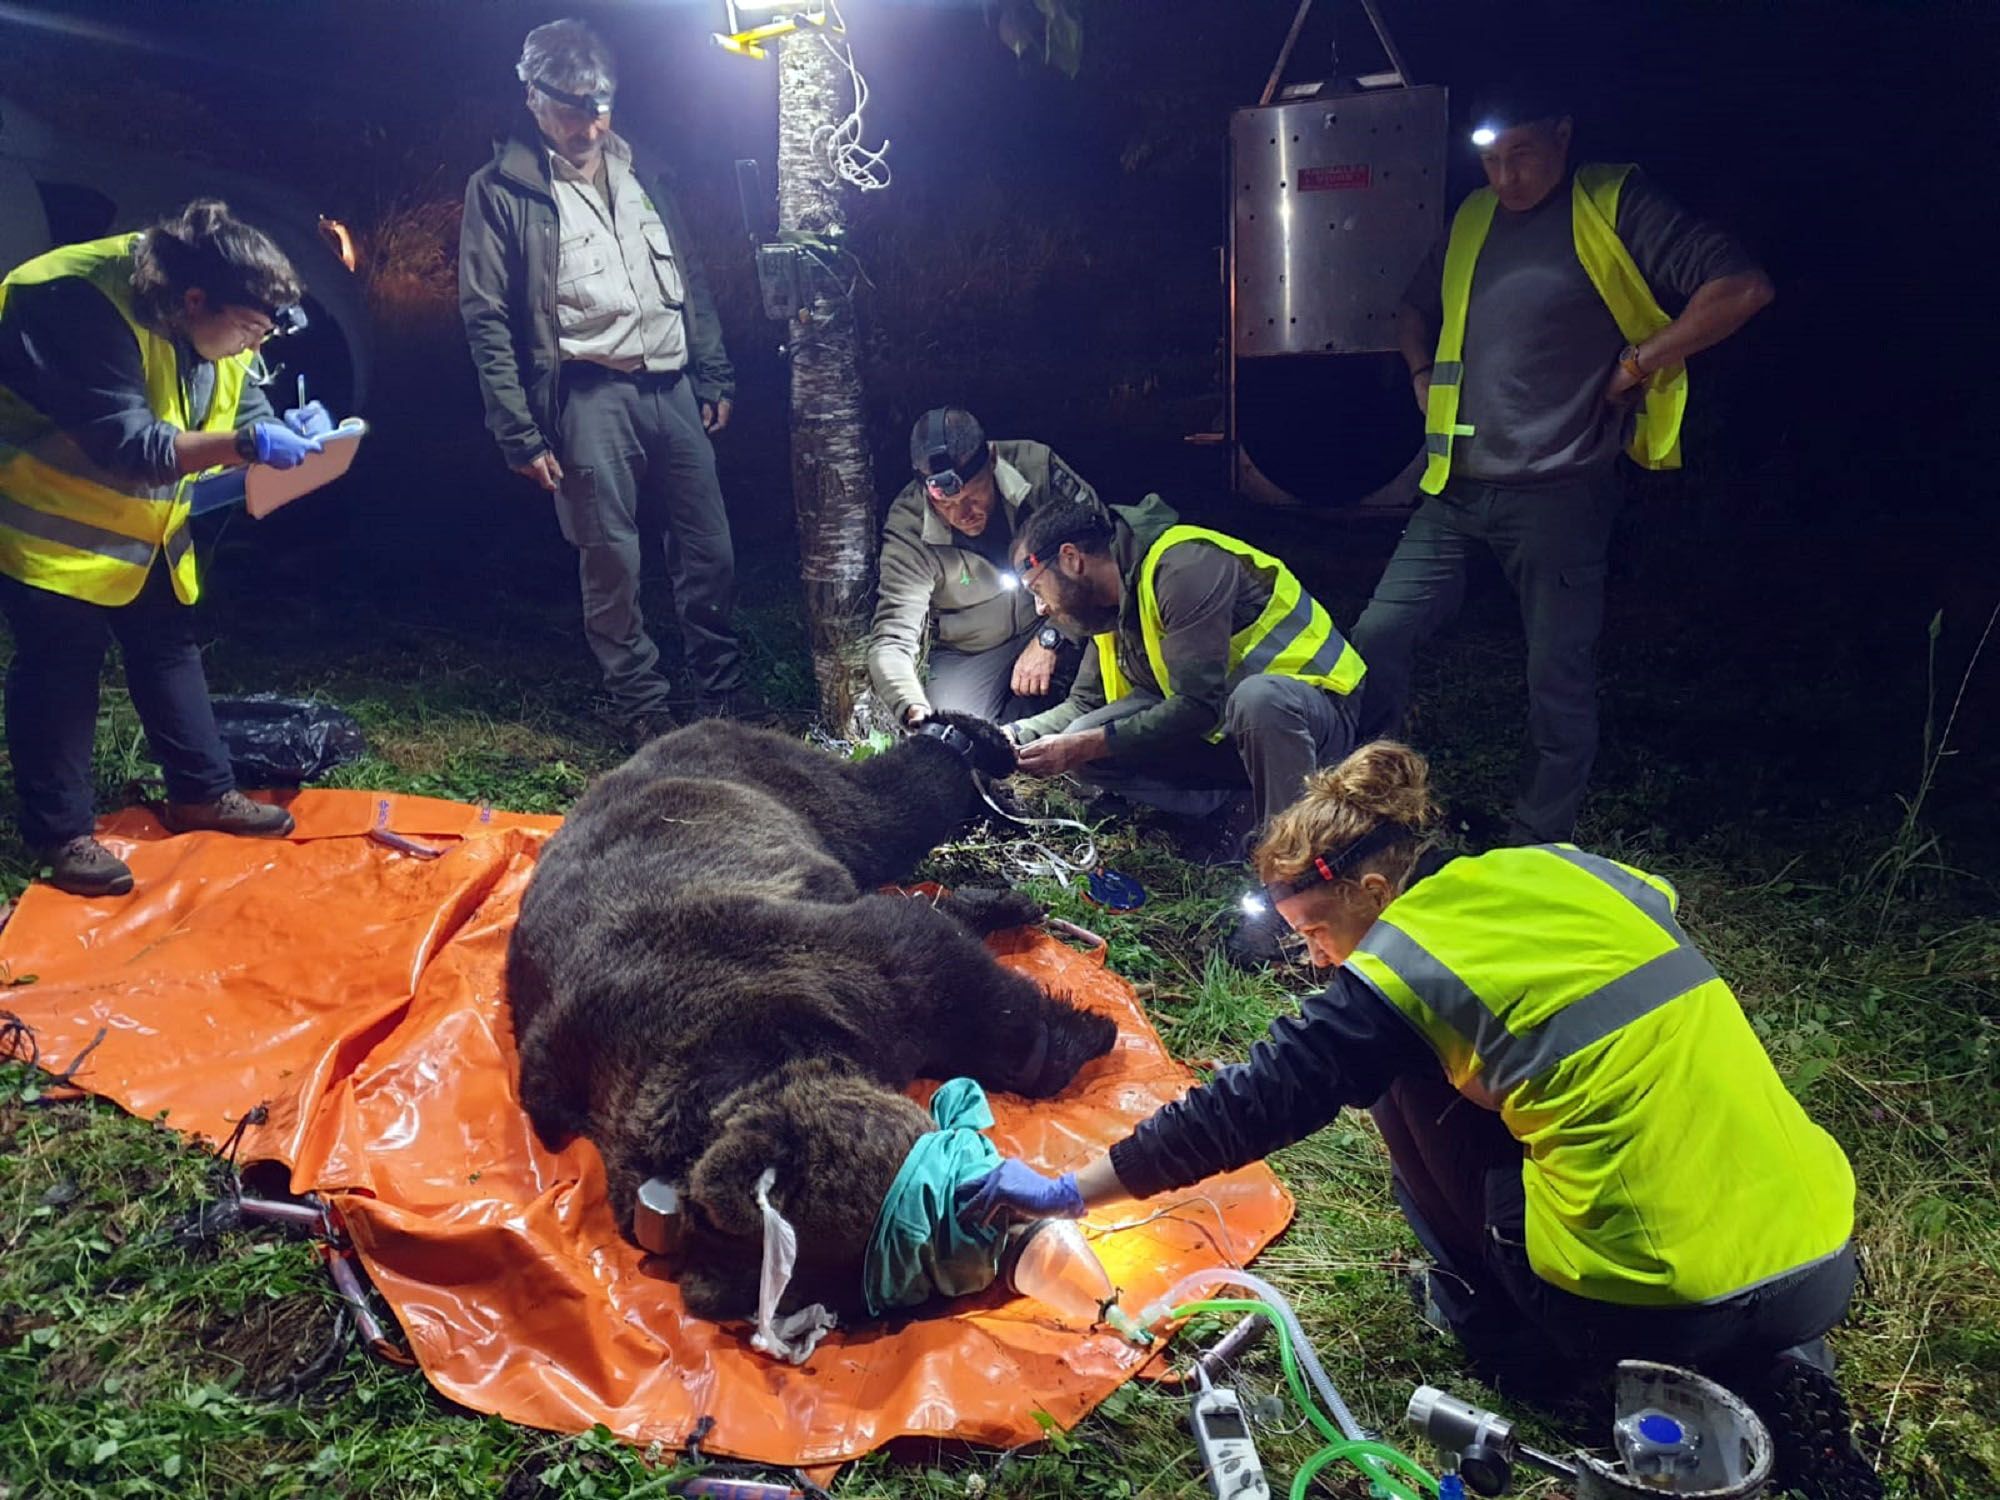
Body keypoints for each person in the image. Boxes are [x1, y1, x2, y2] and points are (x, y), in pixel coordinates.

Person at [964, 741, 1878, 1500]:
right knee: (1499, 1062)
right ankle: (1782, 1359)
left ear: (1372, 887)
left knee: (1401, 1078)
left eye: (1318, 934)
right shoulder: (1560, 870)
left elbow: (1247, 1106)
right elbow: (1652, 915)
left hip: (1646, 1301)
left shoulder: (1409, 962)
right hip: (1818, 1248)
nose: (1318, 960)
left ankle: (1511, 1337)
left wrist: (1071, 1191)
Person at [1351, 87, 1775, 845]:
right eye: (1489, 159)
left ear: (1563, 134)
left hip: (1561, 492)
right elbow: (1413, 308)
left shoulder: (1612, 201)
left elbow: (1741, 287)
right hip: (1456, 491)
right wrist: (1419, 374)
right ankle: (1372, 809)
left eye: (1523, 155)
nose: (1505, 177)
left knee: (1557, 681)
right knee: (1377, 636)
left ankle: (1537, 844)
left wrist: (1641, 362)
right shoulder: (1474, 215)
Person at [0, 198, 331, 898]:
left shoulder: (217, 316)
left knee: (167, 643)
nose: (251, 345)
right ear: (192, 300)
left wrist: (278, 425)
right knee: (61, 665)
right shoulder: (74, 299)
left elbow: (240, 397)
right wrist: (244, 448)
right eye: (246, 328)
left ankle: (202, 793)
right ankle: (62, 835)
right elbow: (127, 443)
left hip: (144, 524)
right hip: (47, 515)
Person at [459, 18, 758, 743]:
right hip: (589, 395)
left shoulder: (643, 170)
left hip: (673, 387)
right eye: (572, 107)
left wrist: (712, 367)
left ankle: (726, 698)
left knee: (708, 550)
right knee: (611, 561)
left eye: (601, 105)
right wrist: (519, 432)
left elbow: (688, 274)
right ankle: (643, 710)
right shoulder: (503, 189)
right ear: (532, 98)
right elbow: (486, 316)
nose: (590, 123)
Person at [1006, 495, 1366, 961]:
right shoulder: (1106, 607)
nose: (1039, 608)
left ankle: (1293, 888)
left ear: (1072, 560)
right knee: (1088, 736)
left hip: (1312, 721)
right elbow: (1085, 703)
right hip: (1230, 731)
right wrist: (1013, 735)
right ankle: (1234, 810)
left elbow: (1197, 705)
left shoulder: (1183, 567)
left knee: (1257, 700)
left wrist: (1082, 745)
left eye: (1038, 588)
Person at [867, 408, 1091, 728]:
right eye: (946, 505)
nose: (963, 514)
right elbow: (892, 640)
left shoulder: (1036, 468)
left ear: (992, 459)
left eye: (973, 496)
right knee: (956, 736)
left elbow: (1102, 552)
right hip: (971, 650)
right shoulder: (909, 527)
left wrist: (1053, 636)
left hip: (1055, 614)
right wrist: (911, 707)